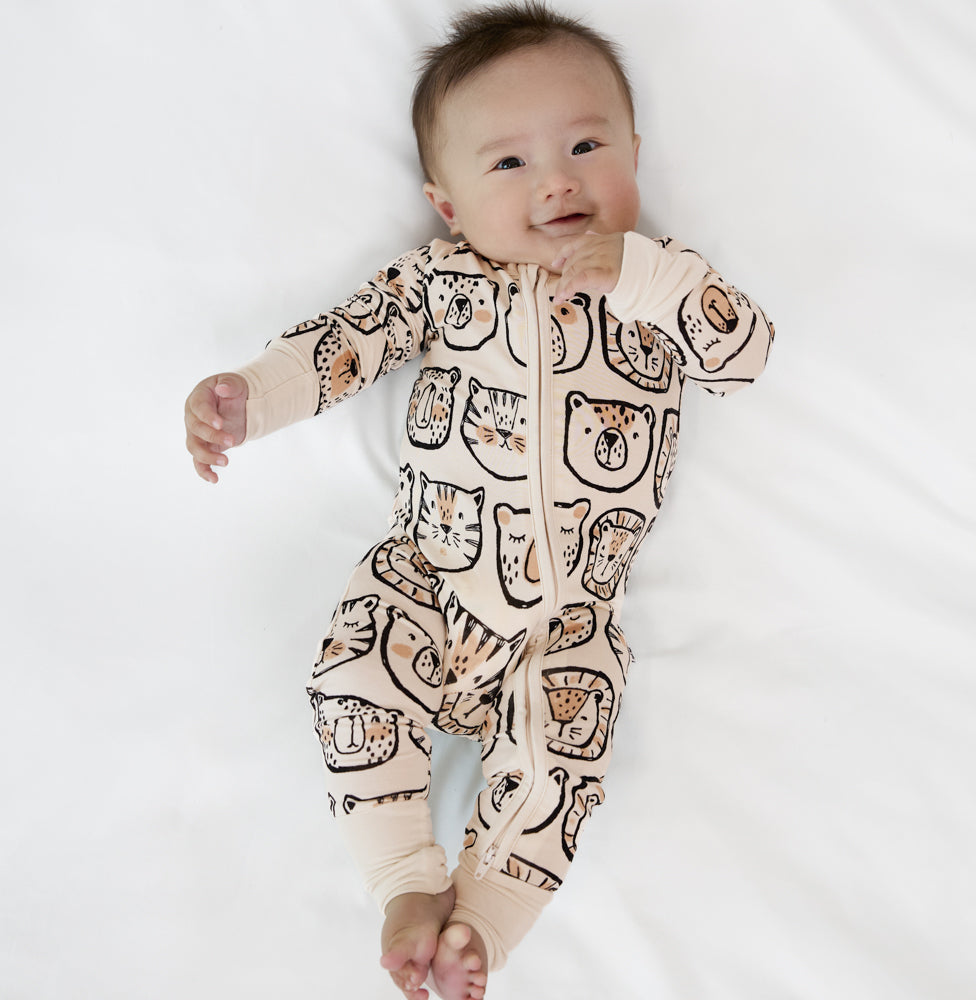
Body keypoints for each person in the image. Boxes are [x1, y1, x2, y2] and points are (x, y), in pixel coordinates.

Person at [184, 3, 773, 998]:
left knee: (561, 763)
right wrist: (250, 397)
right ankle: (406, 880)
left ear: (634, 150)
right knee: (351, 680)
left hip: (567, 623)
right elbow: (343, 344)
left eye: (587, 145)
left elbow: (743, 353)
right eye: (508, 165)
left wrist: (644, 275)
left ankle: (482, 925)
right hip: (428, 577)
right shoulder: (443, 283)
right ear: (447, 204)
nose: (556, 179)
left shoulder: (658, 285)